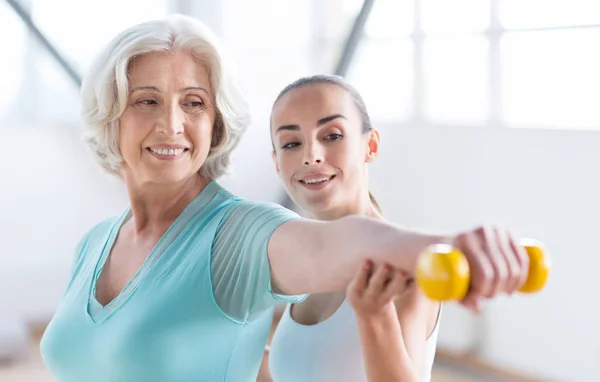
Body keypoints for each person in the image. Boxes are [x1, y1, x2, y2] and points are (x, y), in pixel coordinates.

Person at [39, 15, 531, 382]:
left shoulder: (240, 234)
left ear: (215, 127)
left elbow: (338, 243)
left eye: (194, 103)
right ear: (111, 116)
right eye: (147, 100)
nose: (172, 123)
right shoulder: (95, 243)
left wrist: (455, 244)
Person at [261, 75, 440, 382]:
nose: (311, 156)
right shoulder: (300, 264)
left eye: (331, 136)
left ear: (370, 146)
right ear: (278, 164)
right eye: (292, 143)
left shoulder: (404, 267)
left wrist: (375, 317)